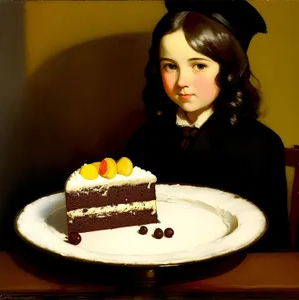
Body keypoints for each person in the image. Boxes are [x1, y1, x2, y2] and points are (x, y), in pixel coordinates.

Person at [124, 0, 290, 252]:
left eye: (199, 65)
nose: (182, 81)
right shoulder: (143, 138)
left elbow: (272, 244)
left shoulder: (260, 145)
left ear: (229, 70)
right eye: (171, 66)